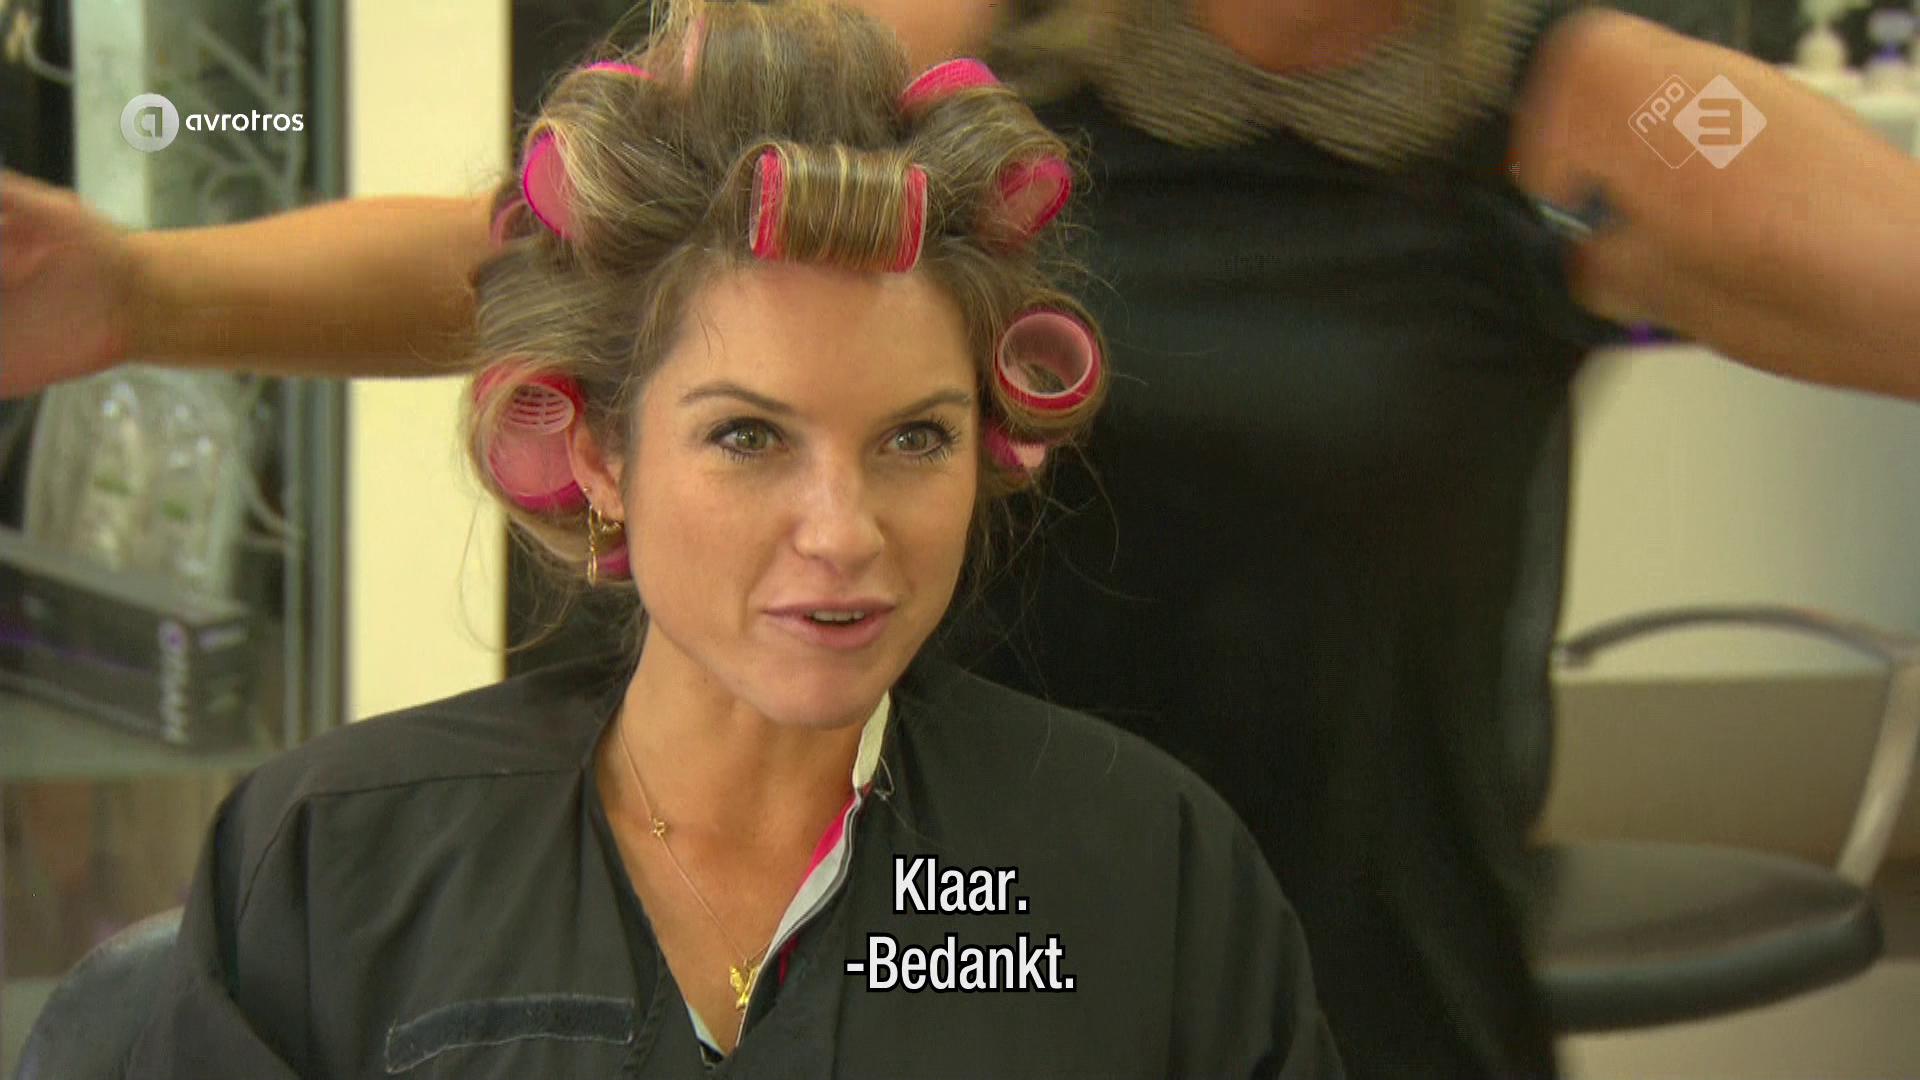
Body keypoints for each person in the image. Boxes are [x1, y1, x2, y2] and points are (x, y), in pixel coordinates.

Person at [8, 1, 1920, 1077]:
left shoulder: (1605, 114)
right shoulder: (948, 49)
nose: (839, 521)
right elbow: (584, 259)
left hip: (1333, 967)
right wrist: (146, 291)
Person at [111, 4, 1341, 1077]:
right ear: (601, 451)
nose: (843, 533)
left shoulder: (1144, 878)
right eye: (749, 438)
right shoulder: (337, 866)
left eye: (915, 439)